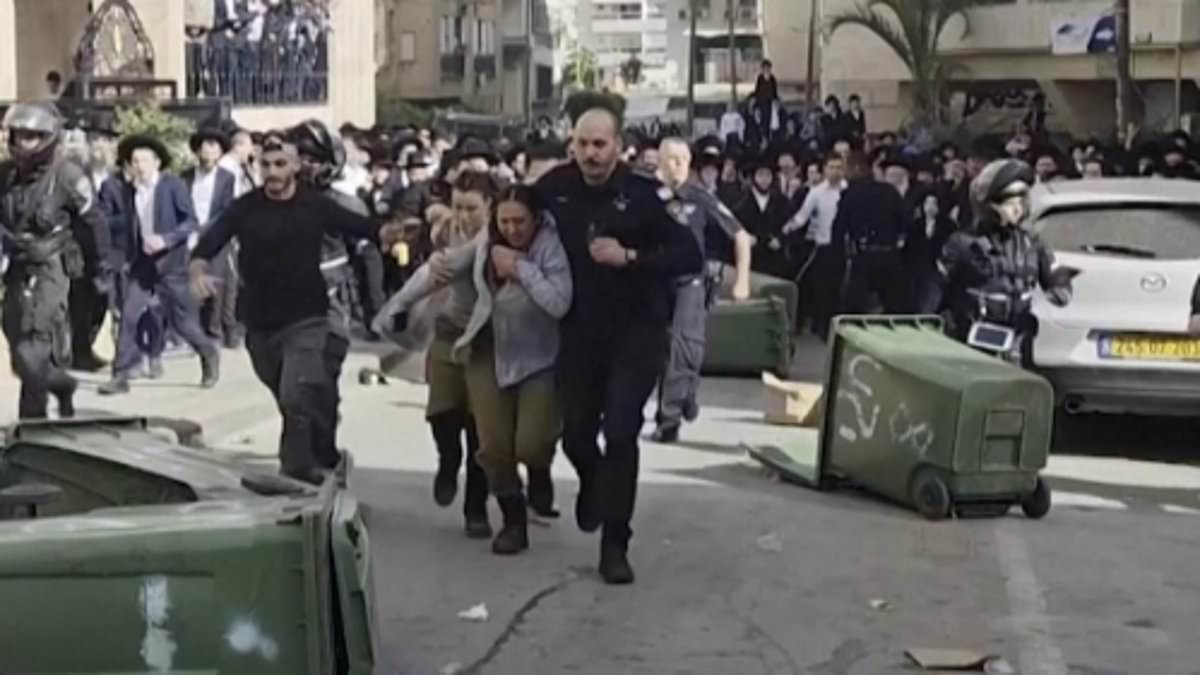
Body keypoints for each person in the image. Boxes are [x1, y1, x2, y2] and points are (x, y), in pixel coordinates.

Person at [534, 106, 703, 584]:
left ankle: (615, 544)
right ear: (572, 144)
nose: (590, 154)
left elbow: (688, 254)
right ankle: (593, 480)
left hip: (635, 330)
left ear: (618, 147)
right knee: (576, 435)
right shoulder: (555, 187)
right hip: (578, 331)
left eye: (600, 144)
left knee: (623, 431)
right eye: (583, 144)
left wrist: (629, 257)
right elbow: (511, 215)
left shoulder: (643, 194)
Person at [377, 185, 572, 555]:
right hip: (483, 348)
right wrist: (397, 307)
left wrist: (520, 268)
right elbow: (441, 269)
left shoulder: (550, 247)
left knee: (531, 446)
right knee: (491, 445)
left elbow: (559, 303)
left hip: (536, 356)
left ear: (535, 220)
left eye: (520, 222)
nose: (512, 229)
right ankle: (512, 519)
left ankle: (537, 478)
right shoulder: (484, 243)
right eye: (505, 221)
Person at [190, 136, 389, 484]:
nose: (272, 172)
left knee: (296, 393)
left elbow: (365, 228)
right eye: (265, 165)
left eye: (280, 164)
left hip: (306, 319)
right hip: (260, 323)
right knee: (294, 399)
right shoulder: (244, 208)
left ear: (295, 167)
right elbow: (208, 243)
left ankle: (294, 473)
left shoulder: (316, 206)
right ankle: (325, 454)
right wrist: (197, 272)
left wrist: (395, 231)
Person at [377, 171, 497, 537]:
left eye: (472, 208)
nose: (465, 216)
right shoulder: (447, 228)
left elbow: (448, 265)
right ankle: (448, 459)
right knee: (442, 414)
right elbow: (428, 257)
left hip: (486, 339)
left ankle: (476, 508)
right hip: (447, 332)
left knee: (480, 429)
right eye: (458, 207)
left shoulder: (496, 235)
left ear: (489, 206)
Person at [0, 103, 110, 418]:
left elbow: (94, 223)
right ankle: (61, 384)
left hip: (52, 266)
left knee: (34, 340)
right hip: (17, 267)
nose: (24, 143)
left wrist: (102, 268)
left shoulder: (68, 176)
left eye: (33, 136)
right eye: (19, 135)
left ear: (49, 138)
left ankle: (32, 419)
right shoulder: (5, 175)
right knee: (16, 341)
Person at [100, 135, 220, 395]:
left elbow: (191, 221)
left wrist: (165, 240)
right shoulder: (129, 190)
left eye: (144, 160)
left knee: (182, 322)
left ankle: (208, 352)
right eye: (135, 161)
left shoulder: (172, 185)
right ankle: (120, 375)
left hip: (171, 264)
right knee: (128, 317)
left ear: (156, 162)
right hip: (141, 265)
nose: (139, 166)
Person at [650, 138, 753, 443]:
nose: (678, 165)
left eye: (683, 159)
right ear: (660, 162)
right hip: (655, 281)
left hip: (691, 281)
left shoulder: (701, 198)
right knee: (660, 349)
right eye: (671, 159)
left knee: (684, 345)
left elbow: (741, 236)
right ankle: (685, 392)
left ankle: (669, 419)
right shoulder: (647, 197)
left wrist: (742, 281)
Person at [939, 159, 1072, 353]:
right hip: (971, 343)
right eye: (1010, 203)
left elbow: (1059, 285)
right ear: (987, 204)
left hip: (1019, 341)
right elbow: (935, 292)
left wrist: (1044, 304)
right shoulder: (961, 243)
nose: (1018, 208)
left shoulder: (1032, 243)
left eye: (1021, 201)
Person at [834, 150, 911, 315]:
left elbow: (838, 229)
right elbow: (905, 222)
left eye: (846, 168)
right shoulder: (889, 191)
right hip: (890, 255)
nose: (843, 174)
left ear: (856, 168)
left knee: (854, 310)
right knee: (895, 309)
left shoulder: (849, 195)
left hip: (863, 256)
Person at [783, 152, 847, 339]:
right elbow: (802, 216)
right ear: (825, 170)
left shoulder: (848, 190)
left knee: (841, 288)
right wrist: (787, 227)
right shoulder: (816, 192)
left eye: (839, 167)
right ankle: (821, 327)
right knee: (823, 288)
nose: (835, 171)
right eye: (831, 167)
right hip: (823, 246)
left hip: (845, 247)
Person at [183, 128, 238, 344]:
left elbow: (225, 209)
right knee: (191, 283)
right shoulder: (186, 177)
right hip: (189, 236)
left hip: (215, 235)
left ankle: (214, 331)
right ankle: (191, 332)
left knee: (215, 284)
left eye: (214, 148)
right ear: (197, 151)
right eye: (204, 147)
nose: (208, 152)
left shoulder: (226, 178)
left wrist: (205, 228)